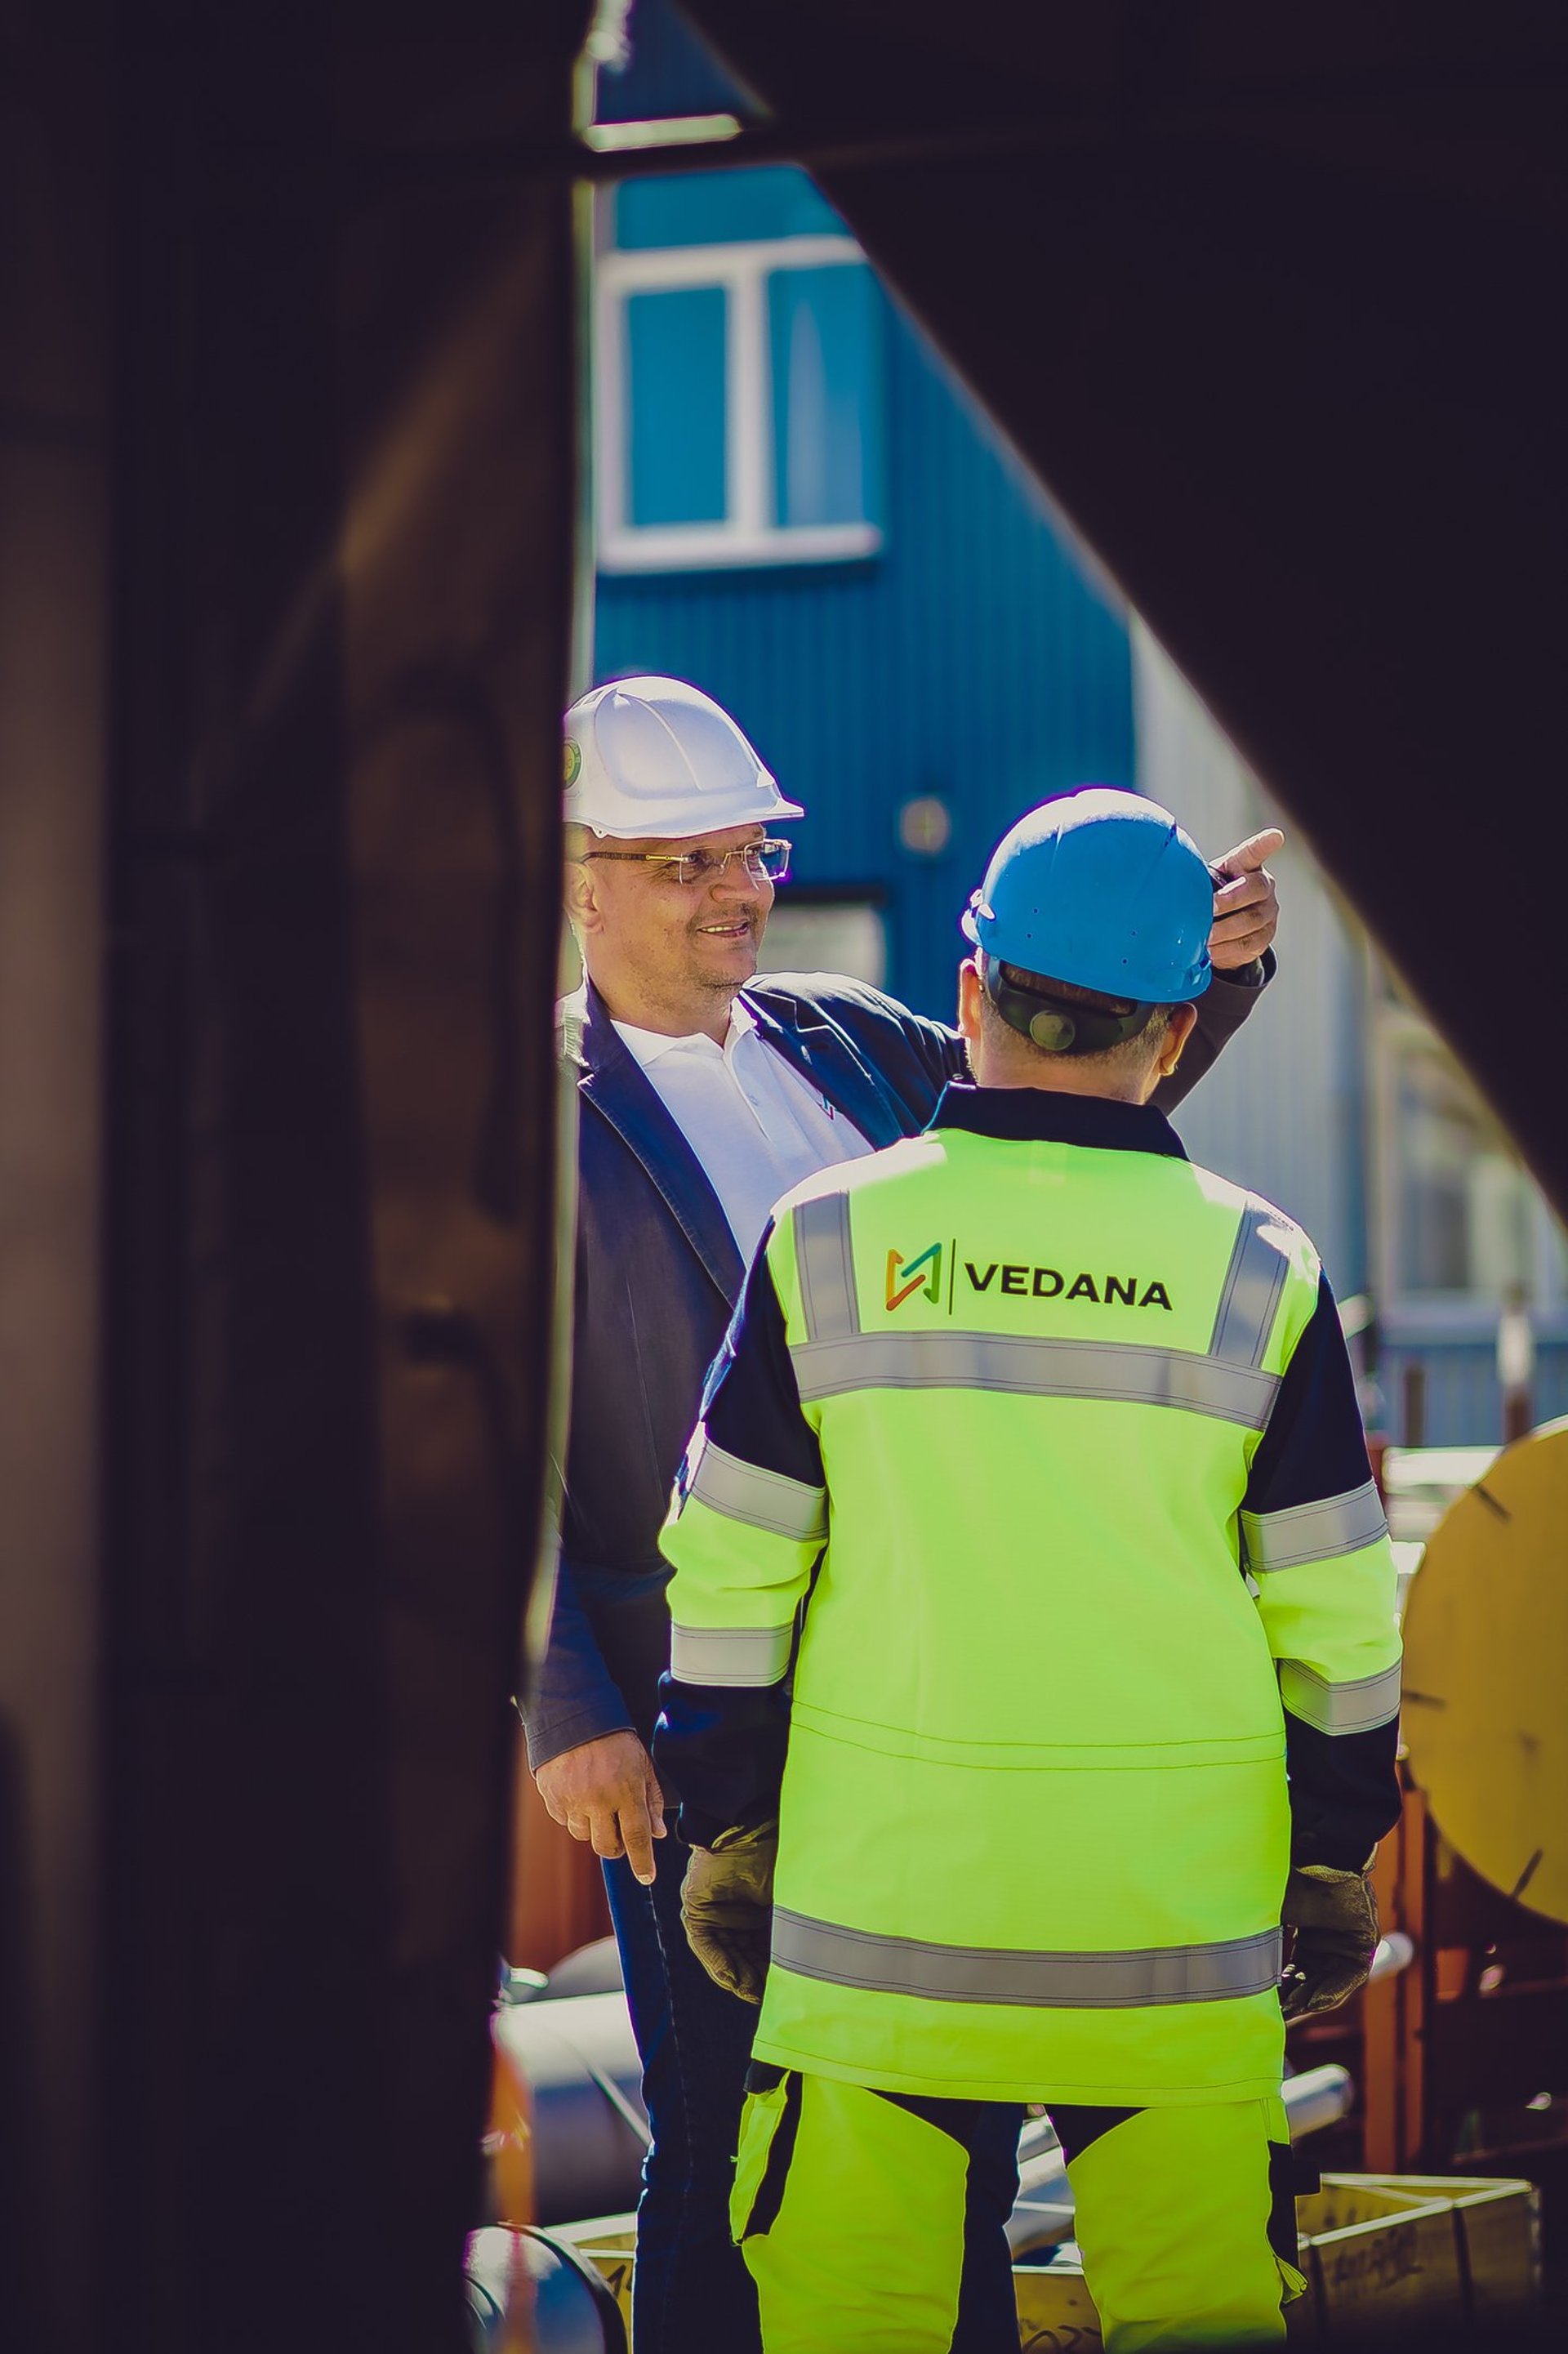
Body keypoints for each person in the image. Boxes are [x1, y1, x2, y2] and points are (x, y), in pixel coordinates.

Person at [523, 678, 1282, 2354]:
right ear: (573, 873)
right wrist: (572, 1709)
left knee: (927, 2123)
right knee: (732, 2136)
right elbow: (478, 1453)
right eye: (688, 861)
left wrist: (1197, 975)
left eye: (759, 851)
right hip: (703, 1727)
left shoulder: (839, 1038)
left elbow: (1068, 1104)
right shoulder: (514, 1123)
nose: (741, 890)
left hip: (919, 1701)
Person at [652, 788, 1401, 2353]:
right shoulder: (1261, 1267)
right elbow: (1334, 1603)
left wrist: (725, 1818)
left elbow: (729, 1572)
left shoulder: (828, 1241)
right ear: (1179, 1029)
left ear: (973, 994)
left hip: (878, 1948)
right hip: (1172, 1953)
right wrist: (1329, 1849)